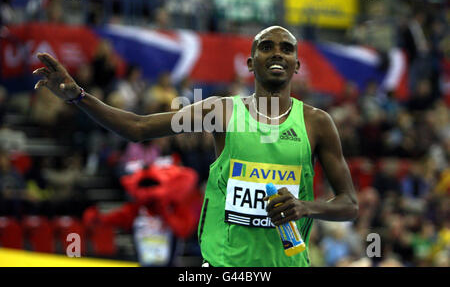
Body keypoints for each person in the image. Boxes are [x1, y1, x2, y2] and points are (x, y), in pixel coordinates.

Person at [33, 26, 358, 267]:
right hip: (225, 266)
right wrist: (78, 97)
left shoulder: (317, 123)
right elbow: (138, 127)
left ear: (297, 66)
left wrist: (306, 206)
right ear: (249, 62)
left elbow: (349, 204)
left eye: (287, 49)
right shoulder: (221, 110)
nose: (277, 53)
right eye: (267, 47)